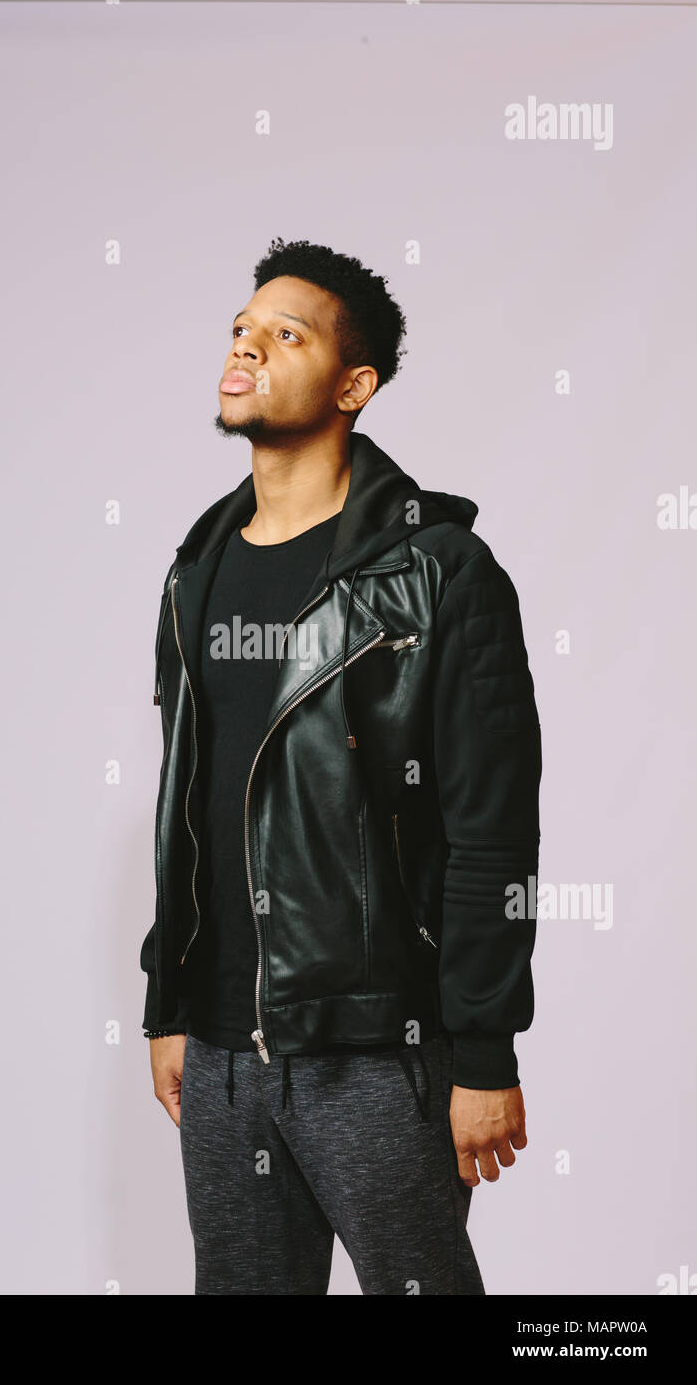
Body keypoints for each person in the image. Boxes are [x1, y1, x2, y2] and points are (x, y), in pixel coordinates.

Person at [140, 236, 542, 1295]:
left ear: (352, 383)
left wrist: (483, 1051)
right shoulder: (196, 570)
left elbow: (489, 831)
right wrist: (169, 997)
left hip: (376, 1046)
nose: (246, 348)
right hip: (222, 1053)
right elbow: (188, 797)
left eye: (285, 333)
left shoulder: (437, 576)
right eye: (239, 328)